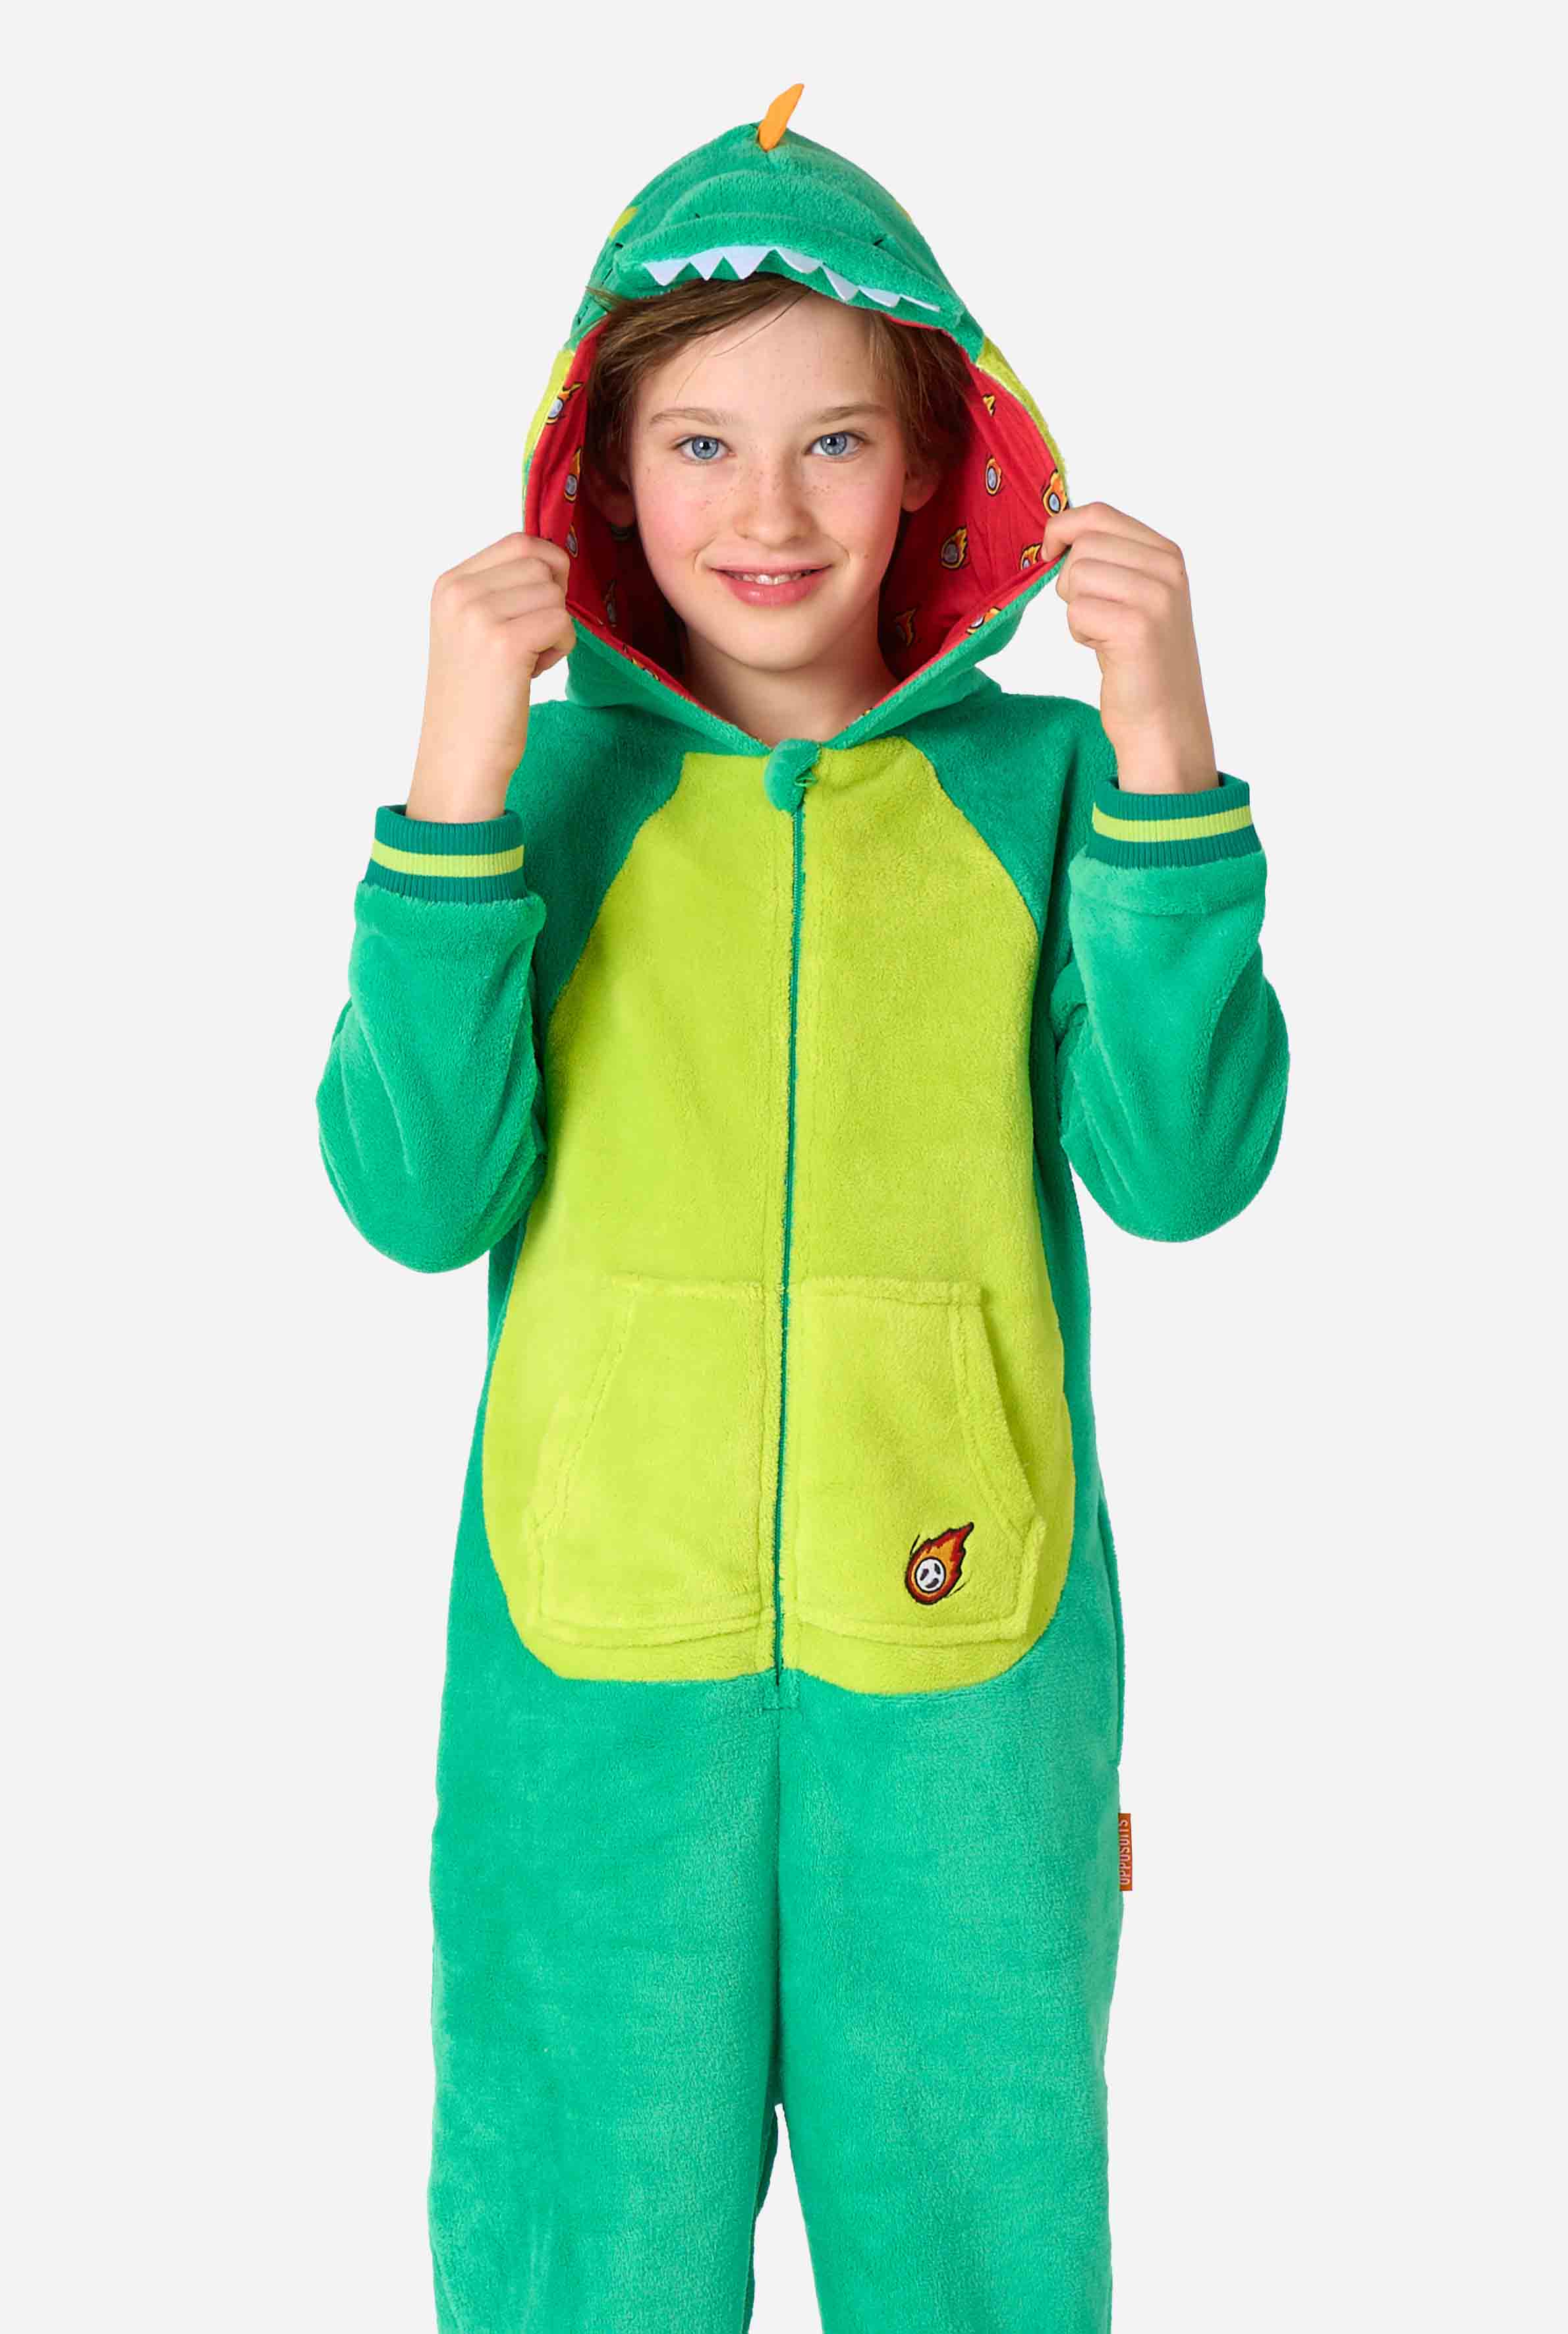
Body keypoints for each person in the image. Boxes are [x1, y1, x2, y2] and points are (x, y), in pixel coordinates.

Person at [316, 82, 1289, 2334]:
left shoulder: (1041, 789)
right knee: (571, 2257)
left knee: (979, 2254)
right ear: (598, 472)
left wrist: (1162, 743)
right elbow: (415, 1195)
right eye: (700, 445)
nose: (766, 511)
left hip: (964, 1665)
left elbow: (1180, 1170)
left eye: (834, 441)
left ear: (936, 458)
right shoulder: (535, 796)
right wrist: (455, 777)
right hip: (586, 1675)